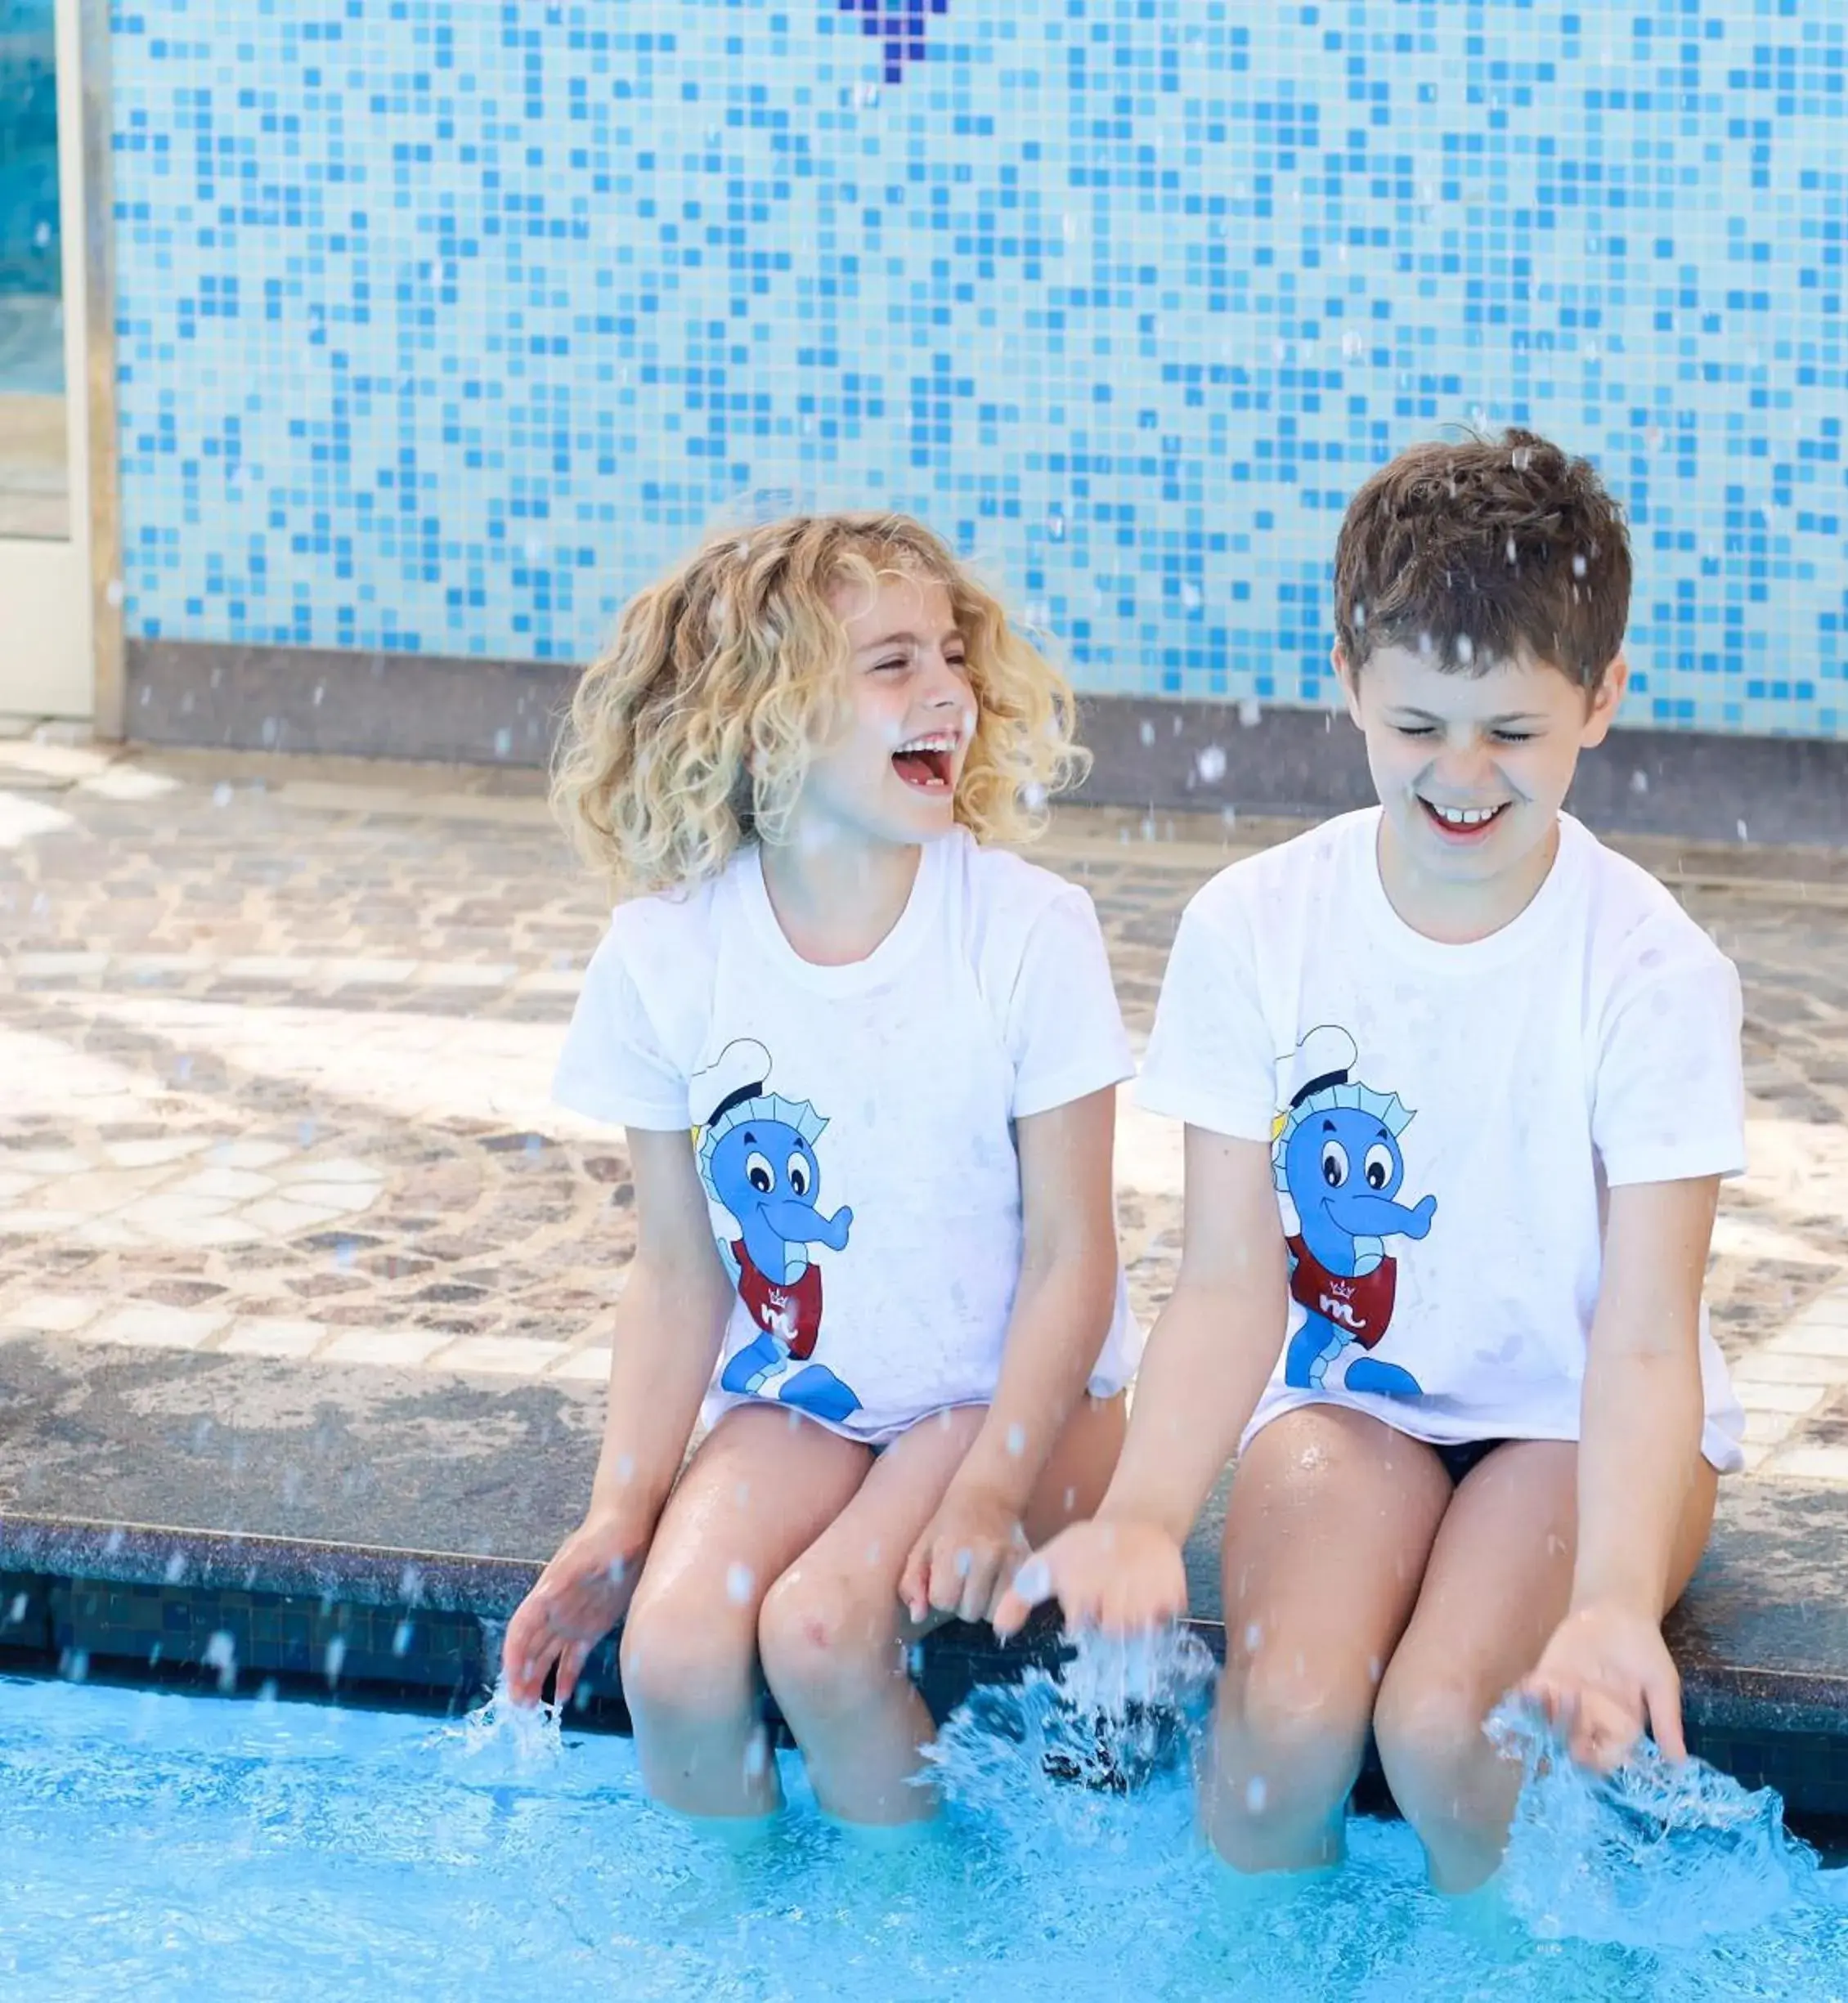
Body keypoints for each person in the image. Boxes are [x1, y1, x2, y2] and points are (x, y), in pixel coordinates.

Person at [1002, 431, 1748, 1893]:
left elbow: (1650, 1333)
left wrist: (1611, 1601)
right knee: (1278, 1734)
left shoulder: (1651, 969)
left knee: (1447, 1730)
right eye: (1417, 725)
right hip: (1351, 1409)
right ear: (1347, 681)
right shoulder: (1257, 926)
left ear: (1601, 700)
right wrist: (1148, 1513)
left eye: (1512, 734)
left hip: (1578, 1429)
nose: (1461, 775)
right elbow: (1226, 1282)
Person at [501, 512, 1138, 1828]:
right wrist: (621, 1514)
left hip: (1017, 1398)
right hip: (805, 1403)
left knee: (822, 1634)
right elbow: (679, 1272)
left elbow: (1078, 1256)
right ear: (756, 716)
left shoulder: (1023, 932)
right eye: (891, 664)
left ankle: (923, 1942)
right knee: (674, 1653)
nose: (948, 694)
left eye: (952, 658)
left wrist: (989, 1485)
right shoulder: (666, 956)